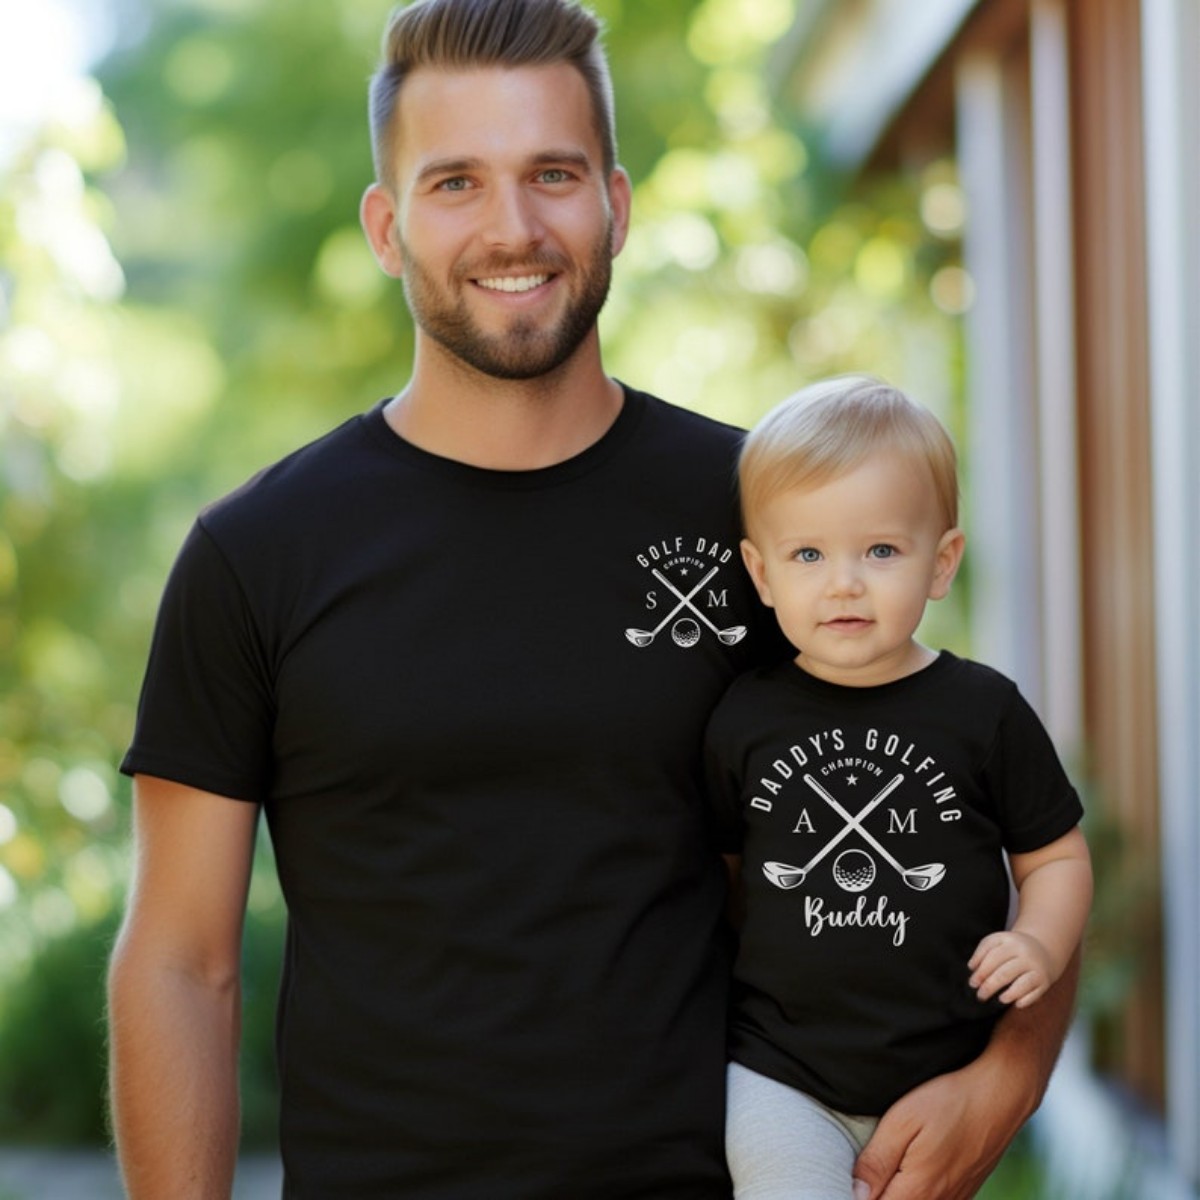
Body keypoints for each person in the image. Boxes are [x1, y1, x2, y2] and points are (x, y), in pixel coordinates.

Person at [106, 2, 1081, 1197]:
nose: (513, 226)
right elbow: (179, 960)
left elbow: (993, 805)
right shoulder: (257, 554)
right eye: (455, 181)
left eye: (552, 174)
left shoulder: (768, 525)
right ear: (385, 225)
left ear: (616, 204)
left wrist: (1009, 1075)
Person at [705, 376, 1093, 1200]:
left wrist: (1039, 945)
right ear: (761, 573)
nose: (844, 582)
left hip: (943, 1077)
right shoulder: (744, 717)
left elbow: (1055, 858)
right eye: (808, 554)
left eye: (880, 551)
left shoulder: (983, 711)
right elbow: (730, 877)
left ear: (941, 562)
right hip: (782, 1075)